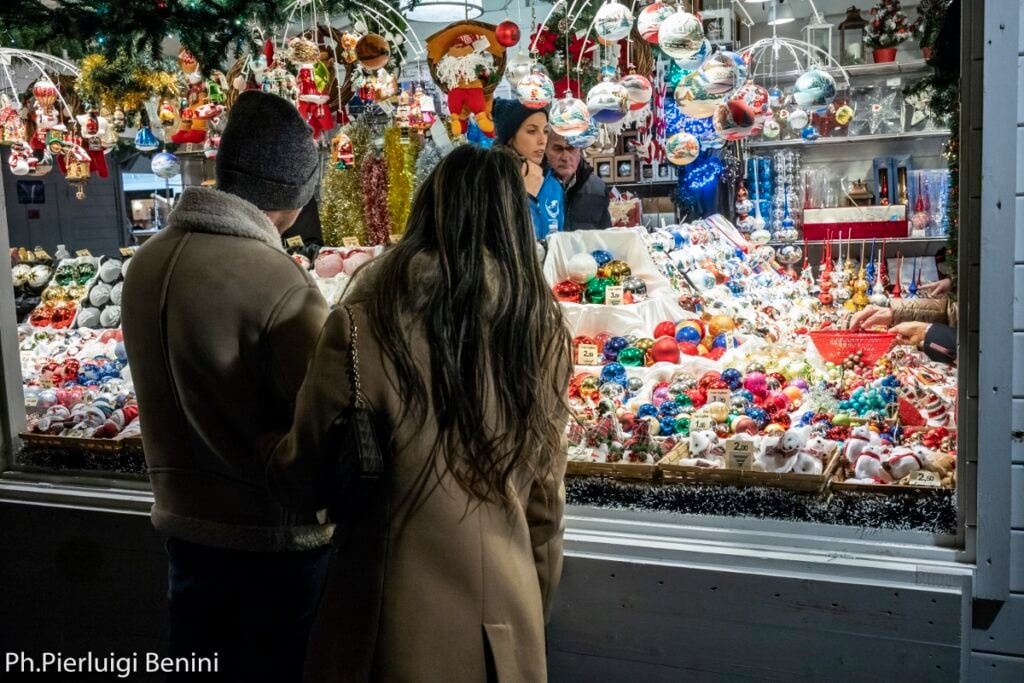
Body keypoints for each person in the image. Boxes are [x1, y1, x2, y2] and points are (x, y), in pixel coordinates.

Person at [268, 145, 572, 681]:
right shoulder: (538, 332)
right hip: (500, 625)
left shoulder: (360, 325)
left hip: (383, 622)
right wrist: (528, 609)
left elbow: (305, 478)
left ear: (427, 211)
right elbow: (545, 507)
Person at [121, 91, 331, 681]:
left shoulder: (147, 262)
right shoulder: (277, 280)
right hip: (269, 545)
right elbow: (321, 420)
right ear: (294, 190)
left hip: (184, 534)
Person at [492, 98, 565, 240]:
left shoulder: (552, 184)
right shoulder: (493, 181)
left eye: (545, 131)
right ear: (510, 137)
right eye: (532, 131)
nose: (542, 140)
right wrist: (526, 197)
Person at [545, 130, 612, 231]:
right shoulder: (535, 186)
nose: (565, 157)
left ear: (580, 150)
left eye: (571, 148)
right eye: (558, 149)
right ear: (545, 150)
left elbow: (606, 237)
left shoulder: (598, 188)